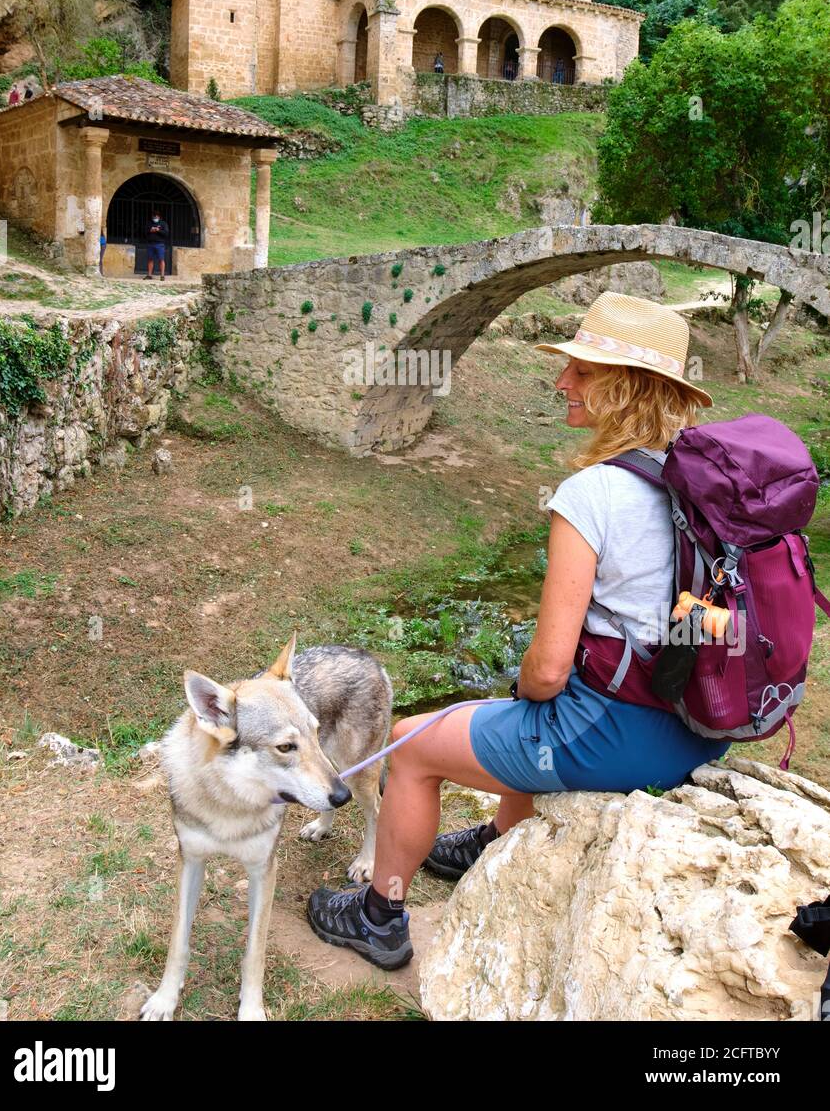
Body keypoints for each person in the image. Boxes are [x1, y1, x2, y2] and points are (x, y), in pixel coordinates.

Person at [306, 292, 728, 970]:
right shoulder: (705, 483)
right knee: (519, 713)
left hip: (615, 736)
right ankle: (495, 839)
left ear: (626, 387)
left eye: (583, 372)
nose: (564, 381)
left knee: (414, 743)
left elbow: (549, 670)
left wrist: (529, 682)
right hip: (695, 731)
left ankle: (379, 916)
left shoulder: (592, 494)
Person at [144, 208, 169, 280]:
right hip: (150, 244)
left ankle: (162, 276)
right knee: (150, 259)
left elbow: (166, 233)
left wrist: (159, 230)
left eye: (156, 216)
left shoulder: (163, 224)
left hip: (160, 244)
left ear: (159, 216)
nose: (155, 218)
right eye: (154, 216)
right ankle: (149, 275)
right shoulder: (149, 223)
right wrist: (150, 231)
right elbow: (144, 232)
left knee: (161, 259)